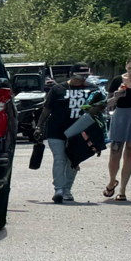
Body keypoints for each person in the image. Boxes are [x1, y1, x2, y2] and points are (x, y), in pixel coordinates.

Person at [40, 65, 91, 203]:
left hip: (81, 132)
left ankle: (67, 188)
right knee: (60, 158)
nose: (83, 79)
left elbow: (100, 108)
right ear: (71, 74)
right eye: (80, 76)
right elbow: (46, 109)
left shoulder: (92, 89)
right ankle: (59, 190)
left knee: (73, 160)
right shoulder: (57, 89)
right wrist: (39, 127)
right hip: (57, 129)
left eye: (86, 75)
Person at [104, 56, 131, 201]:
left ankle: (122, 189)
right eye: (130, 68)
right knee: (115, 151)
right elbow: (108, 104)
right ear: (126, 65)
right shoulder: (117, 80)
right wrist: (116, 96)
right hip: (120, 114)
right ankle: (111, 181)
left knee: (130, 152)